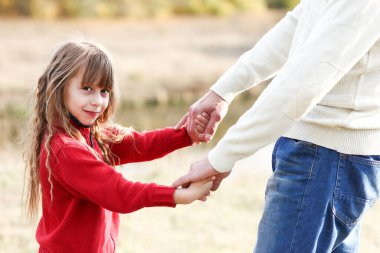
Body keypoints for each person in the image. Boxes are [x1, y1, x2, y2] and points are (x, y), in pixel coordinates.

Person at [173, 0, 380, 252]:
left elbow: (303, 84)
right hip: (324, 157)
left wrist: (220, 157)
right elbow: (302, 22)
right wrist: (224, 90)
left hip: (327, 158)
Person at [23, 40, 213, 253]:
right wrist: (177, 195)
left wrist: (186, 135)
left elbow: (139, 144)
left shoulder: (92, 134)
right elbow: (118, 192)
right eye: (87, 88)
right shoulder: (65, 149)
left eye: (104, 91)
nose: (97, 101)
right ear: (59, 87)